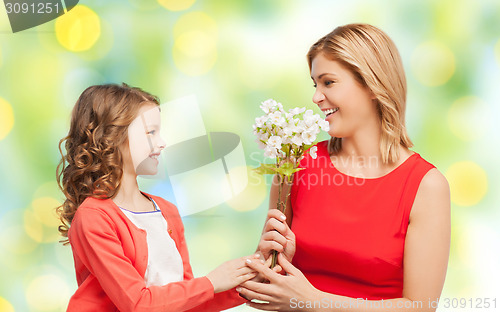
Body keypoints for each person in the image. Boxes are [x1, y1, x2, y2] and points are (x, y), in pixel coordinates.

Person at [237, 23, 451, 311]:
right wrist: (270, 262)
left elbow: (420, 307)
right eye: (315, 84)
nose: (316, 97)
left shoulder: (425, 185)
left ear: (373, 85)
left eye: (328, 82)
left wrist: (310, 301)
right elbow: (263, 286)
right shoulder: (295, 164)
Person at [56, 83, 258, 312]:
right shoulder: (94, 217)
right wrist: (212, 282)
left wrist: (248, 281)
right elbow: (138, 304)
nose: (162, 142)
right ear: (111, 137)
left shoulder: (166, 211)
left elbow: (184, 301)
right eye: (150, 132)